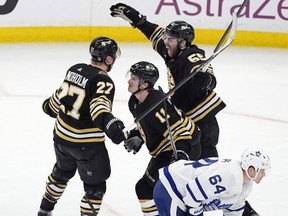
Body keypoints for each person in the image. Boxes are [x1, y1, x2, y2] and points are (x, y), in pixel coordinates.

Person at [110, 3, 226, 159]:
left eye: (170, 39)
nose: (165, 41)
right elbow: (154, 33)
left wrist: (206, 81)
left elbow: (206, 73)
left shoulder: (190, 56)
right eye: (166, 37)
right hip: (183, 119)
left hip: (202, 121)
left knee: (206, 166)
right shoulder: (171, 50)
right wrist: (138, 20)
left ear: (183, 43)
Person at [37, 36, 126, 216]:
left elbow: (55, 102)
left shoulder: (75, 69)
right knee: (95, 186)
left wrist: (48, 106)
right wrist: (112, 126)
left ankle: (44, 211)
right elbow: (99, 109)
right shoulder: (103, 80)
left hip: (61, 139)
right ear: (108, 59)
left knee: (61, 173)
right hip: (86, 144)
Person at [124, 61, 202, 215]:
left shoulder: (157, 105)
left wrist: (181, 155)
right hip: (165, 149)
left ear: (145, 84)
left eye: (134, 78)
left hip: (183, 146)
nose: (129, 80)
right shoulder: (134, 102)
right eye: (130, 76)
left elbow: (179, 133)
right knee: (148, 189)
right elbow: (151, 124)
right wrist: (139, 136)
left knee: (146, 188)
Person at [153, 148, 271, 216]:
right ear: (251, 170)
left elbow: (233, 210)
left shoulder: (245, 185)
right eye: (262, 170)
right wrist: (195, 213)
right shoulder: (230, 174)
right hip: (171, 188)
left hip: (183, 196)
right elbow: (194, 190)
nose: (264, 174)